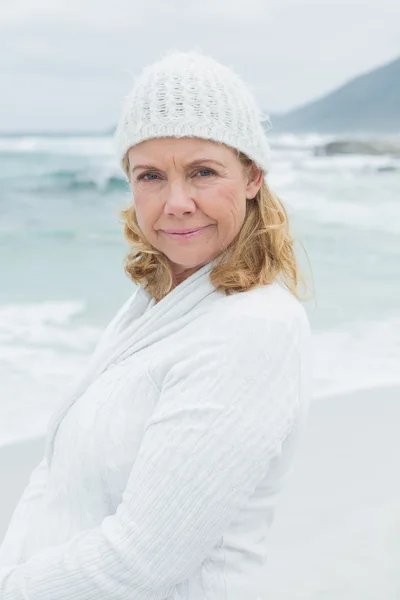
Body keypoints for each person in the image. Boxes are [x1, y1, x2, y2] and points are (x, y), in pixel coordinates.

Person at [0, 50, 313, 600]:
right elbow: (56, 475)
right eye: (151, 175)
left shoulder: (254, 327)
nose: (176, 202)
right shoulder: (155, 302)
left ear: (252, 177)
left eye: (202, 172)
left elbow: (142, 561)